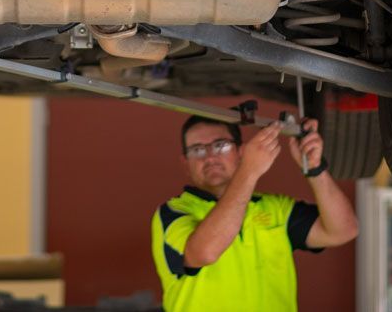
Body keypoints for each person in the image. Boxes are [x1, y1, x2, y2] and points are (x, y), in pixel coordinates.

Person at [151, 115, 359, 312]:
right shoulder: (173, 212)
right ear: (185, 162)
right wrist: (249, 171)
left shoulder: (275, 208)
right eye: (197, 150)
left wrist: (314, 168)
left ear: (241, 152)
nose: (211, 156)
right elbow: (205, 252)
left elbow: (343, 230)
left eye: (220, 145)